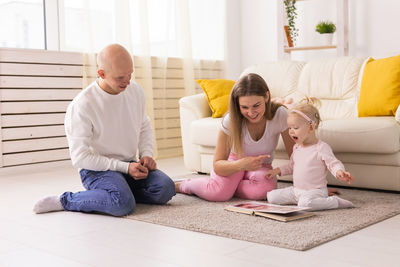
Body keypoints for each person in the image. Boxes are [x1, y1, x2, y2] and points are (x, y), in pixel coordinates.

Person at [33, 44, 175, 216]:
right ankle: (65, 200)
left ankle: (118, 194)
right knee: (122, 205)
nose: (128, 81)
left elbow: (144, 125)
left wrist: (146, 154)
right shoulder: (82, 105)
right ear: (101, 74)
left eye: (130, 74)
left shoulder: (135, 91)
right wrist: (124, 168)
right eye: (121, 77)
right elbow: (81, 158)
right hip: (97, 170)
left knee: (166, 189)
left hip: (129, 164)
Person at [175, 73, 295, 201]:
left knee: (263, 191)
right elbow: (218, 165)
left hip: (261, 167)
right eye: (244, 107)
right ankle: (184, 185)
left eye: (256, 105)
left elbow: (295, 155)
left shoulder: (280, 114)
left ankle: (225, 187)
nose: (251, 113)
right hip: (233, 164)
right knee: (217, 194)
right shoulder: (231, 120)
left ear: (266, 96)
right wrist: (241, 164)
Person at [265, 98, 354, 211]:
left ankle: (334, 202)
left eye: (295, 128)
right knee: (271, 197)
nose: (291, 131)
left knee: (305, 204)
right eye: (290, 128)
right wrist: (277, 170)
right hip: (297, 190)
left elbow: (333, 164)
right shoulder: (296, 147)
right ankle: (301, 200)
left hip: (315, 191)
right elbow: (292, 166)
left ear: (311, 127)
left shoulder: (321, 148)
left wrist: (339, 171)